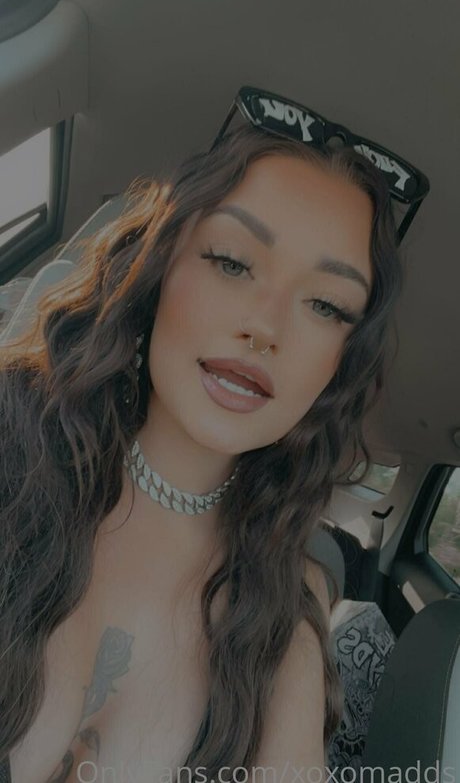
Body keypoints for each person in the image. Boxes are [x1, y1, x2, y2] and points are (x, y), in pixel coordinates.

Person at [0, 86, 413, 782]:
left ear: (338, 365)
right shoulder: (13, 452)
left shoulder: (286, 614)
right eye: (231, 261)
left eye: (324, 304)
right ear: (159, 269)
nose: (265, 326)